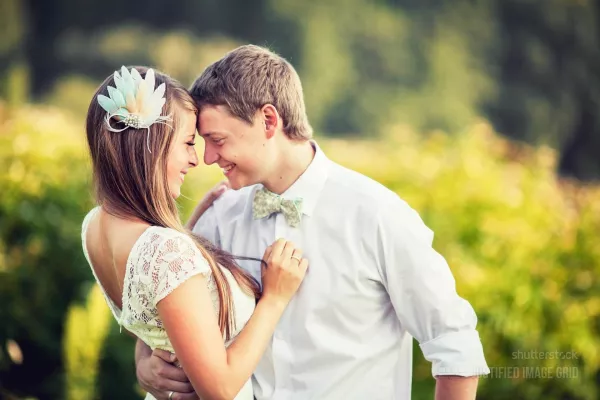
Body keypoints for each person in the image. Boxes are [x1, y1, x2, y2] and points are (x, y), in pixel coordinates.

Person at [137, 45, 490, 400]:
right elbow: (165, 317)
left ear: (269, 120)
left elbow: (453, 342)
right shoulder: (219, 218)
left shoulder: (378, 215)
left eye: (217, 140)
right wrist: (147, 367)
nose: (208, 157)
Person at [81, 65, 308, 400]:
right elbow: (219, 389)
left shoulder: (95, 225)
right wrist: (274, 299)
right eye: (188, 142)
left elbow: (155, 304)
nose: (196, 159)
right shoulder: (166, 251)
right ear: (151, 146)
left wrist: (186, 232)